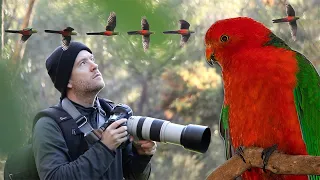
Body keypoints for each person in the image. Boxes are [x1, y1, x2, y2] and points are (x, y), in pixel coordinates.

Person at [32, 41, 157, 180]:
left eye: (92, 59)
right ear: (68, 81)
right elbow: (54, 177)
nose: (94, 66)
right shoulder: (49, 124)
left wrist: (141, 156)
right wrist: (105, 148)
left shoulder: (112, 113)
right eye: (83, 63)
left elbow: (132, 175)